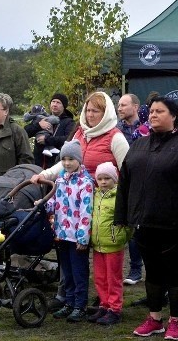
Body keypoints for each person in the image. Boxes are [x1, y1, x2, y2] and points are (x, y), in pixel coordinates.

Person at [114, 95, 178, 341]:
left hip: (171, 223)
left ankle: (175, 320)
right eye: (151, 111)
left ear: (173, 116)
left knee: (173, 271)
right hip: (143, 222)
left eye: (160, 111)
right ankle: (155, 318)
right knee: (152, 272)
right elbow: (125, 182)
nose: (153, 115)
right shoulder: (140, 145)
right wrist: (122, 215)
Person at [39, 90, 128, 311]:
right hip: (73, 204)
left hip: (102, 204)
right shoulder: (80, 134)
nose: (90, 115)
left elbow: (128, 170)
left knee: (101, 255)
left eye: (95, 111)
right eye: (88, 110)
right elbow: (65, 161)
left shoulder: (115, 136)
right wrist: (46, 175)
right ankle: (68, 297)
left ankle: (105, 299)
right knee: (71, 255)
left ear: (105, 112)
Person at [46, 140, 94, 323]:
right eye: (64, 159)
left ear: (79, 160)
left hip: (76, 236)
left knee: (78, 271)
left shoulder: (85, 182)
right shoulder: (60, 179)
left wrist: (83, 237)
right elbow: (57, 202)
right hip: (61, 233)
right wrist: (45, 205)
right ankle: (69, 301)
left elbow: (85, 211)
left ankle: (80, 305)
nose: (67, 163)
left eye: (71, 159)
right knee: (66, 271)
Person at [87, 161, 130, 326]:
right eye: (100, 178)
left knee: (113, 278)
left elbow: (127, 223)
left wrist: (120, 237)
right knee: (100, 278)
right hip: (98, 245)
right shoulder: (95, 195)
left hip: (113, 245)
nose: (103, 182)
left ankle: (115, 308)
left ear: (115, 179)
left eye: (107, 178)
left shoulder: (119, 196)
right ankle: (104, 305)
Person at [116, 93, 146, 286]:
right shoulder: (116, 130)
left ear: (135, 107)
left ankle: (141, 268)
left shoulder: (147, 129)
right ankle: (133, 269)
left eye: (124, 105)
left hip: (142, 182)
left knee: (139, 227)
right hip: (121, 182)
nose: (119, 108)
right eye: (118, 105)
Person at [24, 93, 75, 168]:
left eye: (58, 103)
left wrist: (47, 140)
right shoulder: (43, 118)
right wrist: (39, 125)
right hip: (38, 164)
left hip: (57, 165)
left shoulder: (69, 122)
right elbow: (25, 133)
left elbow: (68, 139)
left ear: (63, 106)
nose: (55, 104)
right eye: (53, 102)